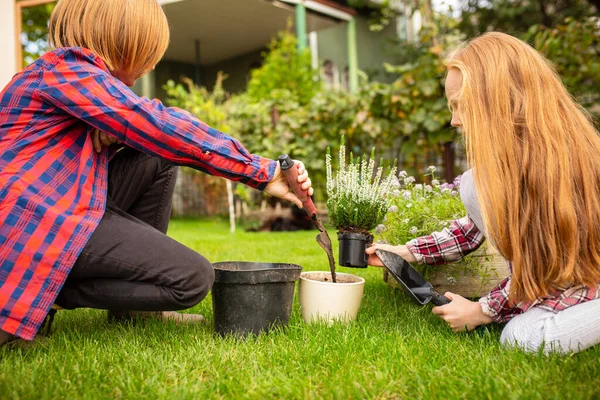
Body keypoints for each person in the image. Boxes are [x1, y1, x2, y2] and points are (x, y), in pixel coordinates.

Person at [0, 0, 313, 347]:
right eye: (146, 53)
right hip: (35, 219)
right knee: (192, 279)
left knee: (155, 155)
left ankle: (132, 311)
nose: (147, 68)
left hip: (66, 202)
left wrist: (118, 133)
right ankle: (45, 295)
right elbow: (158, 124)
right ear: (122, 39)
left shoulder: (75, 84)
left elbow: (139, 133)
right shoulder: (65, 70)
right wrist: (263, 172)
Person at [367, 32, 600, 355]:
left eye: (461, 106)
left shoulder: (561, 168)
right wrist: (406, 253)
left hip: (585, 283)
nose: (455, 121)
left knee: (523, 338)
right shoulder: (508, 170)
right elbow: (473, 228)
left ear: (500, 100)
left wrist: (481, 311)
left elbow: (544, 269)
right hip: (571, 284)